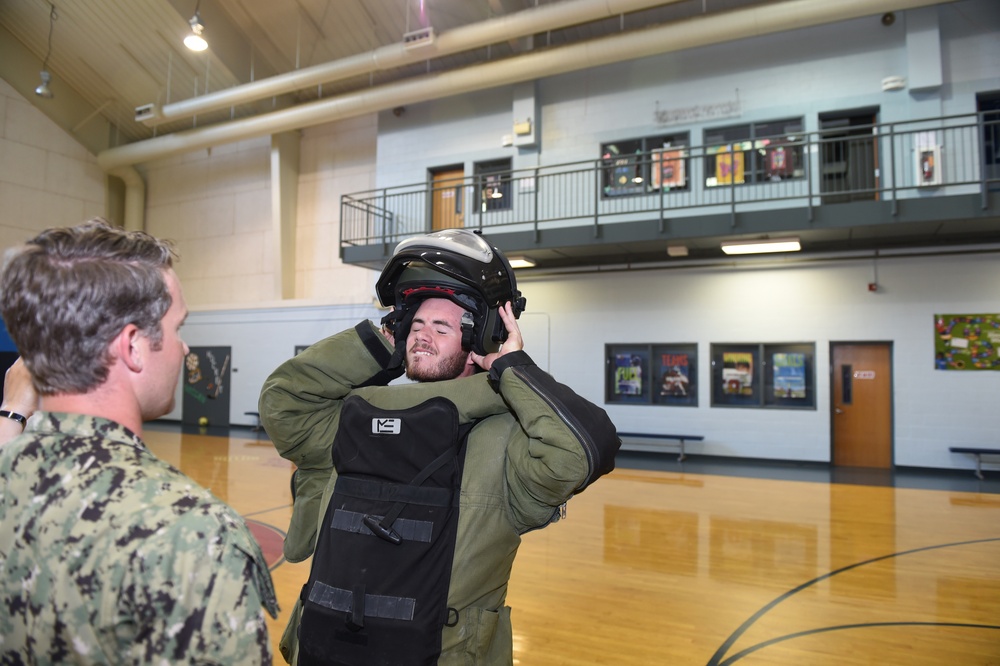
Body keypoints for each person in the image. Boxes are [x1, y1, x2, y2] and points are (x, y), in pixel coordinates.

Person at [260, 228, 621, 665]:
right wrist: (376, 348)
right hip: (322, 650)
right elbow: (284, 402)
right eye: (414, 323)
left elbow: (579, 452)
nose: (421, 335)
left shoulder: (506, 440)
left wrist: (510, 366)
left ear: (479, 341)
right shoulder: (355, 421)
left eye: (441, 326)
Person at [0, 219, 279, 664]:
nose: (185, 349)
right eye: (177, 328)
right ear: (132, 346)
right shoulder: (191, 533)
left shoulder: (11, 472)